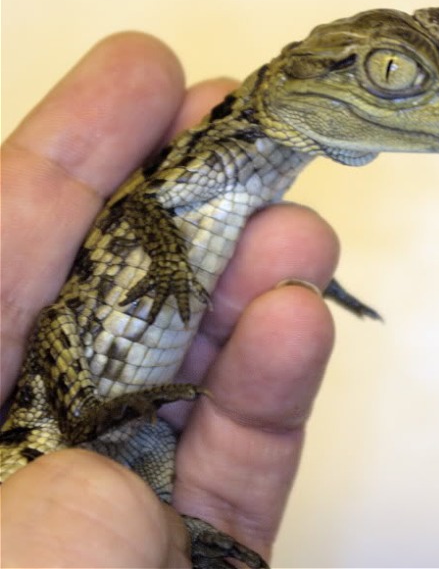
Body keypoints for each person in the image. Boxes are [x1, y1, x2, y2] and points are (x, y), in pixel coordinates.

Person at [1, 32, 340, 566]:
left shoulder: (240, 170)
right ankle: (92, 424)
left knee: (156, 460)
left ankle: (178, 536)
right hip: (46, 426)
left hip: (130, 435)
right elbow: (147, 205)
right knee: (61, 331)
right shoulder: (213, 162)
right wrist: (171, 266)